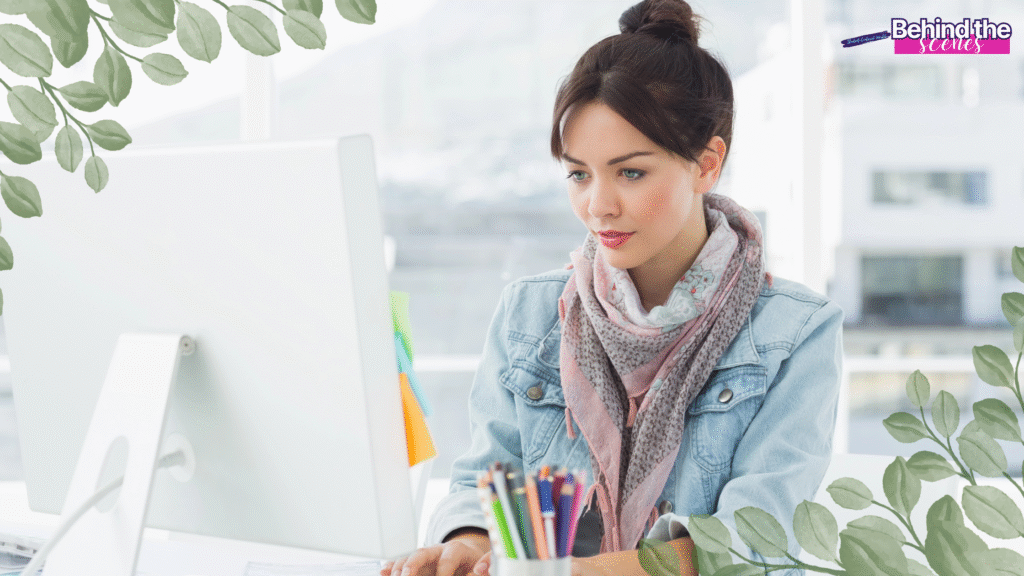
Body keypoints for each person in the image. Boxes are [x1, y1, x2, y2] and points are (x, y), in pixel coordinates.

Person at [383, 0, 843, 574]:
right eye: (579, 174)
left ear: (706, 163)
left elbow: (754, 541)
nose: (597, 206)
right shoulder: (528, 315)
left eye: (631, 172)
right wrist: (469, 548)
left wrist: (568, 574)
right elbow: (484, 481)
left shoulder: (794, 334)